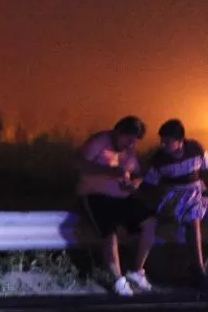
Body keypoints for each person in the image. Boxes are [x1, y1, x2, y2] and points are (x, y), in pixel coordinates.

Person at [75, 116, 157, 296]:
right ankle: (118, 281)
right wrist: (109, 171)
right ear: (118, 132)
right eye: (128, 139)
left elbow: (137, 173)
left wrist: (136, 182)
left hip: (122, 197)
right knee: (109, 231)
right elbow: (80, 164)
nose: (130, 145)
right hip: (95, 196)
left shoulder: (130, 150)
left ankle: (137, 272)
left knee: (150, 222)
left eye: (134, 142)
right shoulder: (99, 142)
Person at [140, 119, 208, 289]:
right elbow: (148, 185)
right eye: (161, 141)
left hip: (198, 194)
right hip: (173, 199)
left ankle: (201, 267)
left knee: (196, 208)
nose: (163, 145)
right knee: (193, 217)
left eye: (167, 142)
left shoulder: (195, 149)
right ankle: (198, 270)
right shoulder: (159, 159)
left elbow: (205, 171)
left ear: (180, 141)